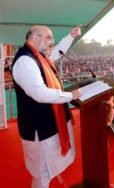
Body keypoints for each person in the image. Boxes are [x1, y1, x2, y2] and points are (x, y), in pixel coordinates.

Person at [11, 25, 81, 188]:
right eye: (49, 38)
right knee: (41, 173)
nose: (52, 42)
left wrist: (70, 37)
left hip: (48, 125)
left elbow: (56, 52)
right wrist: (71, 96)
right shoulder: (25, 61)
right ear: (36, 38)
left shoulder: (38, 57)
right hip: (38, 129)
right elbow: (40, 94)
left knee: (46, 170)